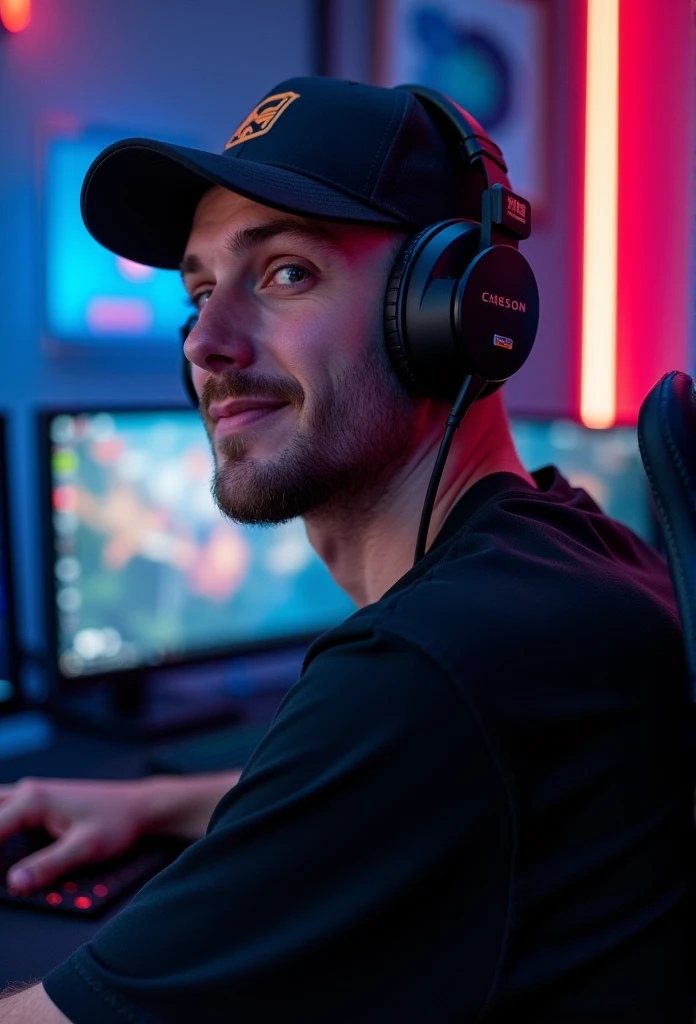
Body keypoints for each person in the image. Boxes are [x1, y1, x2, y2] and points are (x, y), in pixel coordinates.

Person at [0, 76, 694, 1023]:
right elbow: (404, 792)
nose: (205, 340)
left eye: (286, 272)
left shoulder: (425, 670)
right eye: (198, 291)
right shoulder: (564, 548)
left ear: (458, 311)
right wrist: (163, 803)